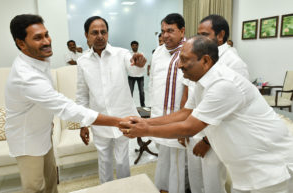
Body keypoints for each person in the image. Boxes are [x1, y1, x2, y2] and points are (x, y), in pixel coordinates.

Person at [120, 35, 293, 193]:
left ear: (205, 61)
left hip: (270, 170)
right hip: (246, 170)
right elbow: (185, 113)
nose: (179, 65)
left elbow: (189, 127)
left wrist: (144, 130)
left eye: (184, 60)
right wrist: (145, 122)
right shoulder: (202, 81)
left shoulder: (223, 84)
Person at [6, 14, 129, 193]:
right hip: (28, 141)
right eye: (38, 38)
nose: (47, 41)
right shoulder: (26, 76)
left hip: (43, 134)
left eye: (46, 34)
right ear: (21, 43)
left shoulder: (40, 60)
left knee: (50, 184)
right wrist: (118, 121)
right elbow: (67, 107)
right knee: (35, 188)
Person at [183, 14, 250, 193]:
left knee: (212, 184)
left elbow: (230, 112)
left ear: (220, 35)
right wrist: (185, 130)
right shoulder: (200, 58)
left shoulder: (235, 64)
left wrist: (206, 141)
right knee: (196, 181)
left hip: (215, 137)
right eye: (197, 34)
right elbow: (193, 101)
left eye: (204, 34)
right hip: (195, 129)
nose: (199, 39)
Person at [76, 16, 146, 184]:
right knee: (104, 161)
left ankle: (124, 188)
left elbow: (134, 71)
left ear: (108, 34)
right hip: (99, 120)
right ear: (87, 35)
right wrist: (83, 123)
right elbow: (82, 94)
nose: (100, 36)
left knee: (122, 161)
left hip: (123, 118)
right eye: (94, 32)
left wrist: (140, 64)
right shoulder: (82, 61)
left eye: (103, 32)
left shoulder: (121, 54)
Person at [148, 13, 188, 193]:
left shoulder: (190, 51)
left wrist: (185, 122)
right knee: (163, 155)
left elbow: (192, 89)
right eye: (163, 31)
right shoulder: (157, 52)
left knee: (177, 160)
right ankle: (162, 187)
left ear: (182, 31)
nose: (165, 35)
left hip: (179, 116)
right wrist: (152, 113)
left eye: (170, 31)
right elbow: (152, 83)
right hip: (159, 114)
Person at [128, 40, 146, 107]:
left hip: (140, 76)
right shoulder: (128, 54)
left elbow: (143, 64)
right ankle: (130, 106)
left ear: (138, 46)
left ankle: (143, 105)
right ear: (131, 46)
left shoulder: (141, 54)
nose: (135, 47)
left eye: (136, 45)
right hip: (131, 75)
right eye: (133, 45)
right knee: (130, 92)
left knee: (141, 92)